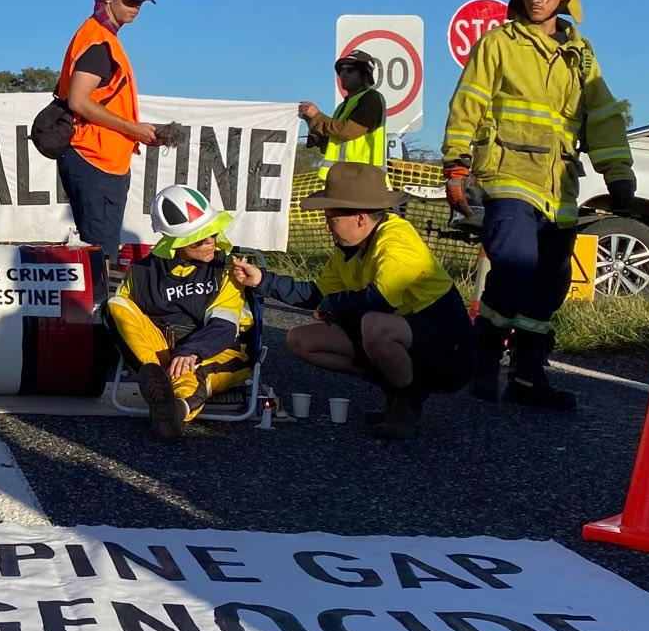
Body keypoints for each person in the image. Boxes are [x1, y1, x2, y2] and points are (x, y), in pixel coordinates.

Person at [441, 0, 634, 409]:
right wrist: (455, 164)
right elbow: (468, 102)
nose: (536, 0)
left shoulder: (581, 56)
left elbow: (603, 114)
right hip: (508, 176)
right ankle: (484, 362)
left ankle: (527, 377)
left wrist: (618, 171)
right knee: (513, 268)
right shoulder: (498, 44)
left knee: (549, 284)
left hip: (560, 187)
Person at [252, 162, 474, 440]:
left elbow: (381, 298)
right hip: (402, 335)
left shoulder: (397, 238)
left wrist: (334, 306)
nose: (326, 227)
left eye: (331, 219)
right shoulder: (348, 247)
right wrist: (262, 280)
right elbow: (318, 294)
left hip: (448, 350)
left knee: (374, 324)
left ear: (359, 217)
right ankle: (392, 387)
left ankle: (409, 400)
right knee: (299, 340)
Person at [107, 184, 255, 442]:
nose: (210, 242)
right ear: (176, 242)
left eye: (212, 233)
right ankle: (155, 379)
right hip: (161, 352)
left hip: (218, 349)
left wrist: (192, 351)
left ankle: (172, 411)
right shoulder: (141, 273)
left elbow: (224, 325)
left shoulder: (226, 270)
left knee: (191, 376)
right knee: (115, 306)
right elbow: (127, 322)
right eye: (199, 239)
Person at [58, 0, 167, 276]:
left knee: (98, 251)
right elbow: (79, 100)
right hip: (95, 161)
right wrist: (134, 129)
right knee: (99, 256)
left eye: (140, 1)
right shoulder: (98, 42)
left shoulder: (100, 37)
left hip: (98, 160)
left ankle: (94, 316)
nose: (137, 7)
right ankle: (95, 321)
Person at [299, 49, 387, 167]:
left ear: (365, 75)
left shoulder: (372, 98)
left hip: (363, 178)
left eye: (350, 70)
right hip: (341, 177)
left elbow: (347, 131)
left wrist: (316, 116)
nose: (343, 74)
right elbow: (328, 144)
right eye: (341, 70)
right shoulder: (342, 107)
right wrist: (310, 120)